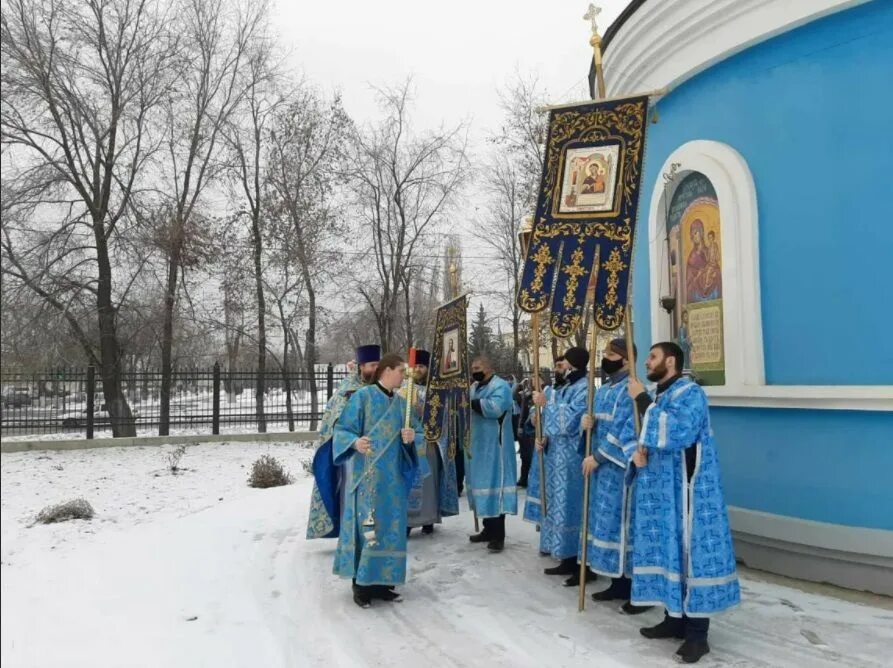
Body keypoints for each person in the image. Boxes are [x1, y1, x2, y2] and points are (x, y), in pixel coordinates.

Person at [627, 342, 740, 664]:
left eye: (653, 357)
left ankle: (697, 635)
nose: (647, 362)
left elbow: (678, 431)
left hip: (688, 494)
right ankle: (673, 619)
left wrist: (641, 399)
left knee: (690, 557)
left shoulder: (690, 393)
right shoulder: (658, 394)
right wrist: (638, 453)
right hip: (662, 495)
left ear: (671, 361)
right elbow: (647, 434)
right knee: (668, 553)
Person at [332, 353, 424, 608]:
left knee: (390, 530)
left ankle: (384, 583)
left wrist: (411, 436)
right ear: (386, 371)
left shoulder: (402, 404)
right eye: (401, 372)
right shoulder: (363, 397)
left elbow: (420, 433)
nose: (404, 377)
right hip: (368, 477)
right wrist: (355, 442)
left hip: (393, 480)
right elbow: (342, 429)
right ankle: (361, 586)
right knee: (369, 529)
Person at [579, 339, 650, 613]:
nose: (605, 358)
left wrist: (597, 456)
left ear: (625, 359)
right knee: (608, 525)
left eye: (611, 354)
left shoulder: (630, 389)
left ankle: (635, 587)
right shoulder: (606, 389)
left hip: (620, 470)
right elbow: (599, 424)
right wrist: (587, 425)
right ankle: (617, 582)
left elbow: (625, 429)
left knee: (624, 527)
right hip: (602, 471)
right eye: (605, 353)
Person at [532, 347, 595, 586]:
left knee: (574, 508)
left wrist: (546, 404)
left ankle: (582, 564)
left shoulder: (585, 388)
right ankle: (567, 557)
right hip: (556, 456)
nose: (559, 368)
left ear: (573, 364)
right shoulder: (565, 387)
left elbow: (572, 420)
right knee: (560, 508)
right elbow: (547, 418)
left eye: (563, 364)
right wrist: (543, 435)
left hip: (573, 458)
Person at [306, 344, 380, 539]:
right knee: (352, 493)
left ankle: (375, 532)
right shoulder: (347, 390)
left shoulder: (381, 387)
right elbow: (336, 421)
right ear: (361, 367)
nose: (375, 369)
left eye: (377, 365)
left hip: (378, 451)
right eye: (371, 365)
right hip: (353, 453)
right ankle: (352, 533)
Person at [466, 356, 518, 552]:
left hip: (495, 447)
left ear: (488, 368)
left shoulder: (501, 386)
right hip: (478, 446)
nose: (474, 370)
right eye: (472, 368)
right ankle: (488, 529)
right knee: (482, 488)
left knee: (495, 489)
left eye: (477, 367)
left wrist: (470, 403)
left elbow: (495, 408)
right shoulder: (474, 386)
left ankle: (498, 536)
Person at [406, 350, 459, 535]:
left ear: (428, 368)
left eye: (422, 366)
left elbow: (446, 415)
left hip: (430, 442)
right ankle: (409, 521)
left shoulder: (437, 389)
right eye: (416, 366)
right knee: (411, 481)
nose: (418, 369)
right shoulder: (405, 387)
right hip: (411, 443)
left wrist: (428, 414)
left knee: (429, 481)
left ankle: (429, 519)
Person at [523, 357, 567, 527]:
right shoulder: (548, 390)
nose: (557, 369)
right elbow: (536, 416)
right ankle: (543, 520)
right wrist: (535, 416)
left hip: (558, 445)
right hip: (543, 443)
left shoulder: (558, 390)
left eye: (560, 366)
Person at [513, 377, 534, 487]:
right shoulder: (525, 395)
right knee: (525, 456)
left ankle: (530, 478)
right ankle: (524, 478)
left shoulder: (540, 395)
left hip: (534, 429)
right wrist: (518, 385)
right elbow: (515, 396)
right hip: (525, 426)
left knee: (531, 456)